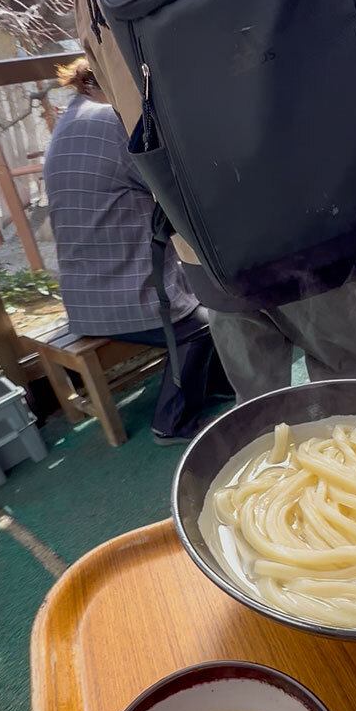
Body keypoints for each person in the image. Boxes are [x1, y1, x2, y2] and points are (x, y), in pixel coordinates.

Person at [67, 0, 356, 400]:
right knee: (342, 384)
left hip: (206, 234)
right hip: (327, 199)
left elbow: (116, 88)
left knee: (260, 406)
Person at [43, 59, 233, 444]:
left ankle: (212, 387)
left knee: (199, 307)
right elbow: (171, 184)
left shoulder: (68, 122)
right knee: (206, 322)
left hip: (83, 295)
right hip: (122, 297)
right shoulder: (112, 121)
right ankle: (172, 422)